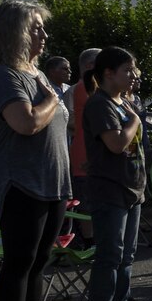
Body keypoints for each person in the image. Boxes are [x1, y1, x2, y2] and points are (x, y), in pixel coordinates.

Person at [0, 0, 74, 301]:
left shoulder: (36, 73)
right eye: (36, 27)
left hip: (52, 183)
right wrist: (52, 97)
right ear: (15, 31)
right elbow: (26, 123)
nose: (44, 35)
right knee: (18, 265)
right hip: (22, 183)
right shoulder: (4, 75)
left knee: (38, 265)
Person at [83, 46, 152, 301]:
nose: (132, 75)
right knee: (110, 255)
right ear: (108, 73)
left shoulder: (122, 103)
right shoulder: (99, 104)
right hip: (110, 189)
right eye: (127, 70)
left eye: (133, 70)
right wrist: (136, 121)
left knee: (127, 255)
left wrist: (132, 117)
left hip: (131, 188)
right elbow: (116, 144)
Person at [64, 47, 100, 246]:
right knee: (86, 204)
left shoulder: (92, 89)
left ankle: (92, 242)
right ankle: (89, 243)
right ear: (89, 66)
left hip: (89, 154)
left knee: (92, 202)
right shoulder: (81, 89)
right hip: (84, 155)